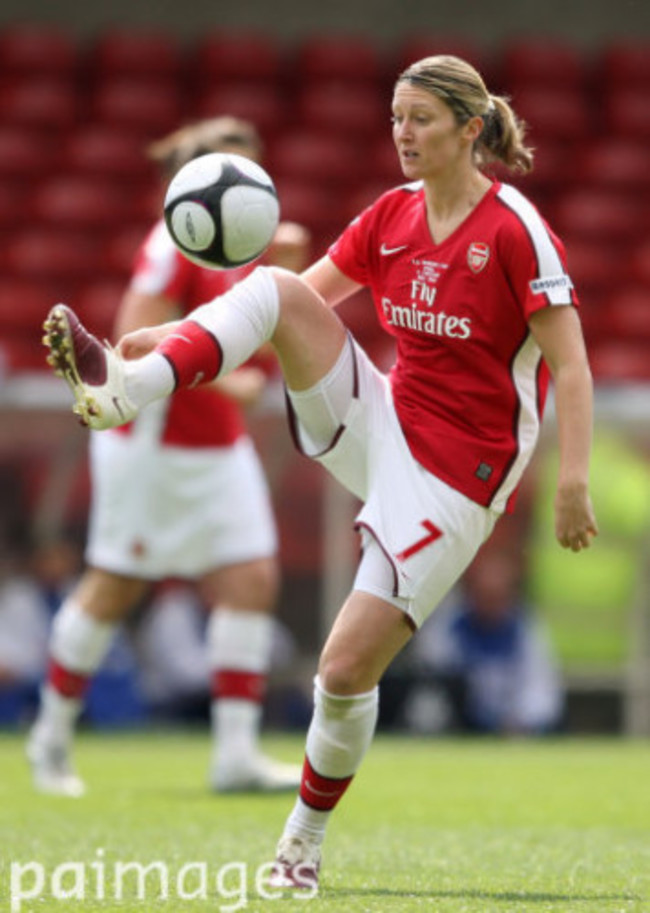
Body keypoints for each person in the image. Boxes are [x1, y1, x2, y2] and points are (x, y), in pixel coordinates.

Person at [42, 55, 598, 888]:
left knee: (341, 674)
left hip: (457, 477)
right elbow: (289, 301)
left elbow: (576, 367)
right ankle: (124, 393)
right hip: (380, 424)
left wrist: (572, 479)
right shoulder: (392, 215)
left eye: (420, 119)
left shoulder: (515, 228)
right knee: (271, 285)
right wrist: (172, 338)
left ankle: (299, 846)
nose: (403, 134)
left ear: (470, 128)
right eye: (395, 118)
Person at [28, 116, 309, 797]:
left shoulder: (236, 252)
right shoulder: (170, 245)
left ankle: (235, 754)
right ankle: (51, 737)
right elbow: (128, 342)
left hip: (218, 446)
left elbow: (249, 343)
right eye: (234, 171)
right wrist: (233, 378)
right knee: (114, 588)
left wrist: (284, 282)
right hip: (151, 449)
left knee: (251, 579)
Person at [409, 541, 564, 734]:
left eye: (497, 597)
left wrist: (519, 722)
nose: (490, 605)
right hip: (460, 726)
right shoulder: (449, 627)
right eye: (484, 595)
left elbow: (541, 691)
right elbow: (432, 679)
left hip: (514, 728)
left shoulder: (525, 630)